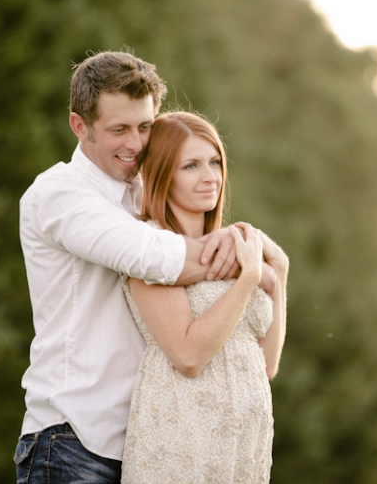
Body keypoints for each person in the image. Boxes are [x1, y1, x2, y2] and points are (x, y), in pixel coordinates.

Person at [14, 51, 273, 483]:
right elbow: (155, 258)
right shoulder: (59, 195)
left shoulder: (145, 192)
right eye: (119, 130)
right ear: (81, 126)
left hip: (147, 442)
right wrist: (242, 260)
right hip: (72, 440)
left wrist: (253, 253)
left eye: (145, 126)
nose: (135, 143)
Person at [120, 111, 289, 483]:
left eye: (214, 162)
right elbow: (188, 356)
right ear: (164, 175)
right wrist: (249, 281)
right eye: (191, 166)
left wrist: (280, 271)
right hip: (183, 438)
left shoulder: (235, 251)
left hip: (242, 443)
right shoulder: (151, 250)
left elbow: (268, 365)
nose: (210, 176)